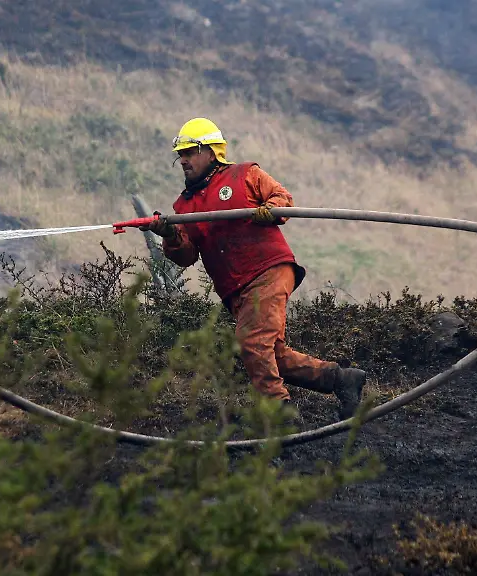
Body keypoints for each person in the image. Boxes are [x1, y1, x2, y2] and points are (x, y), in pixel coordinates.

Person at [140, 117, 366, 419]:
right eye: (180, 155)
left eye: (190, 152)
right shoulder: (184, 207)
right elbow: (186, 255)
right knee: (272, 355)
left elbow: (283, 199)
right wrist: (169, 234)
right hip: (236, 291)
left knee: (253, 343)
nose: (183, 160)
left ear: (211, 152)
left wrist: (269, 211)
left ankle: (279, 414)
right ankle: (342, 380)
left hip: (267, 272)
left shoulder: (245, 175)